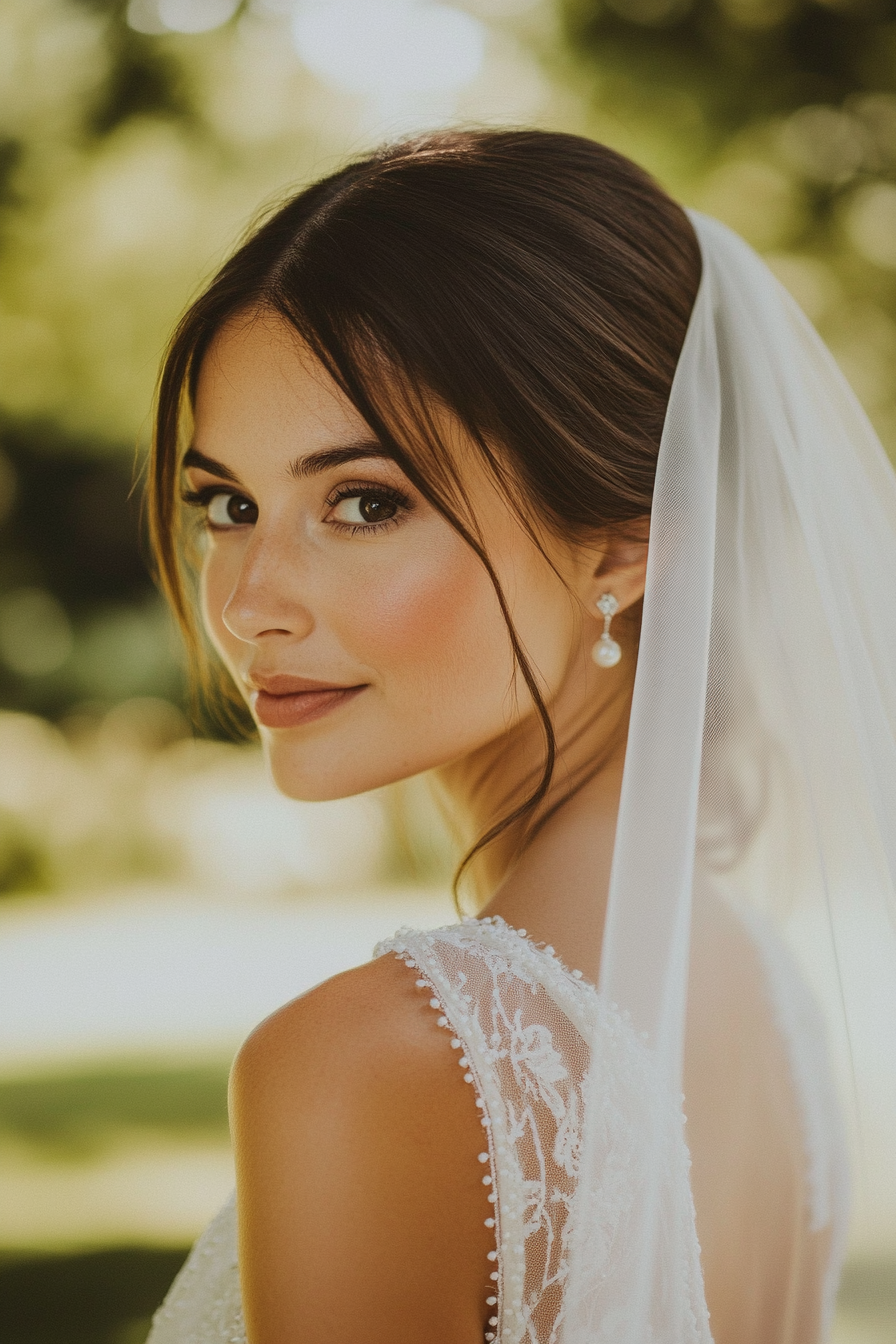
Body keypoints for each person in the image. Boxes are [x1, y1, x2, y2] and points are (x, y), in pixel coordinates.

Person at [143, 130, 896, 1344]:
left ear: (620, 544)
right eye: (228, 505)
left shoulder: (369, 1064)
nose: (245, 602)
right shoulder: (763, 996)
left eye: (363, 502)